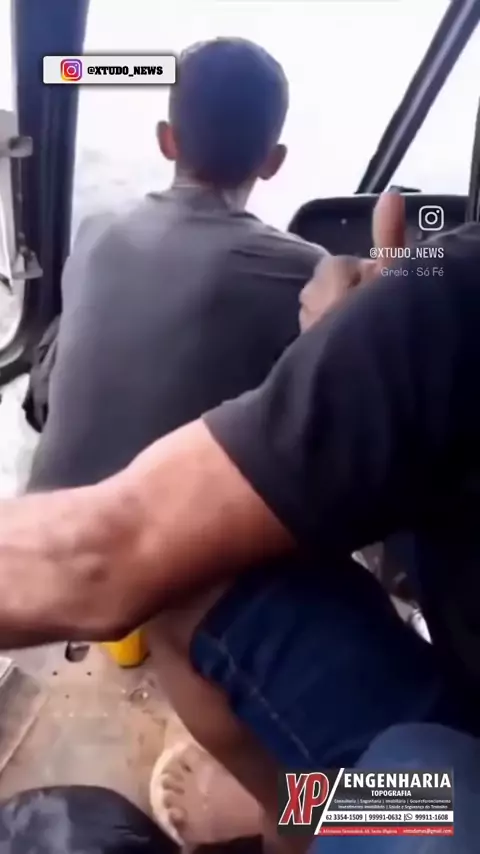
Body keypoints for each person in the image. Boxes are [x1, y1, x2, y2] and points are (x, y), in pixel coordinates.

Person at [0, 194, 478, 851]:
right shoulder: (441, 289)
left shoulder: (451, 291)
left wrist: (369, 343)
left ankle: (301, 811)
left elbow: (99, 560)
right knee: (193, 585)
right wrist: (374, 358)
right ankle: (291, 810)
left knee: (425, 788)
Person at [27, 37, 322, 488]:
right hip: (166, 534)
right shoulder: (308, 273)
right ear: (273, 161)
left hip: (39, 520)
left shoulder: (95, 232)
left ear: (167, 140)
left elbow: (44, 397)